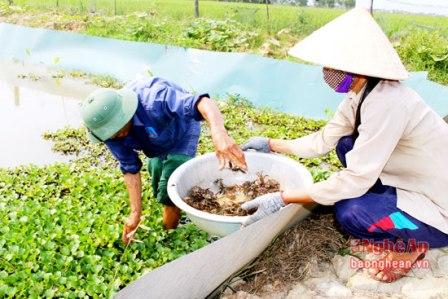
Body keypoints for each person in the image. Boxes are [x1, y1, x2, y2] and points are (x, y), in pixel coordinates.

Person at [241, 8, 448, 283]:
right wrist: (270, 144)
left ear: (359, 69)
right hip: (410, 178)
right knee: (346, 145)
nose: (328, 73)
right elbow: (323, 140)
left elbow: (356, 179)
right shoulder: (361, 93)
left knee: (351, 213)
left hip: (438, 203)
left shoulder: (388, 102)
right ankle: (394, 214)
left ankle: (413, 240)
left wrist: (283, 198)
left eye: (334, 67)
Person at [81, 75, 247, 245]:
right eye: (111, 133)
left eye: (118, 128)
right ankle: (168, 212)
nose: (116, 135)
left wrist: (219, 132)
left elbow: (203, 103)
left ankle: (169, 236)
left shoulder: (155, 99)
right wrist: (135, 214)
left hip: (182, 131)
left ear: (125, 112)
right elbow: (129, 167)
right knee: (157, 177)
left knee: (170, 189)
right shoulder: (109, 133)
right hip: (153, 143)